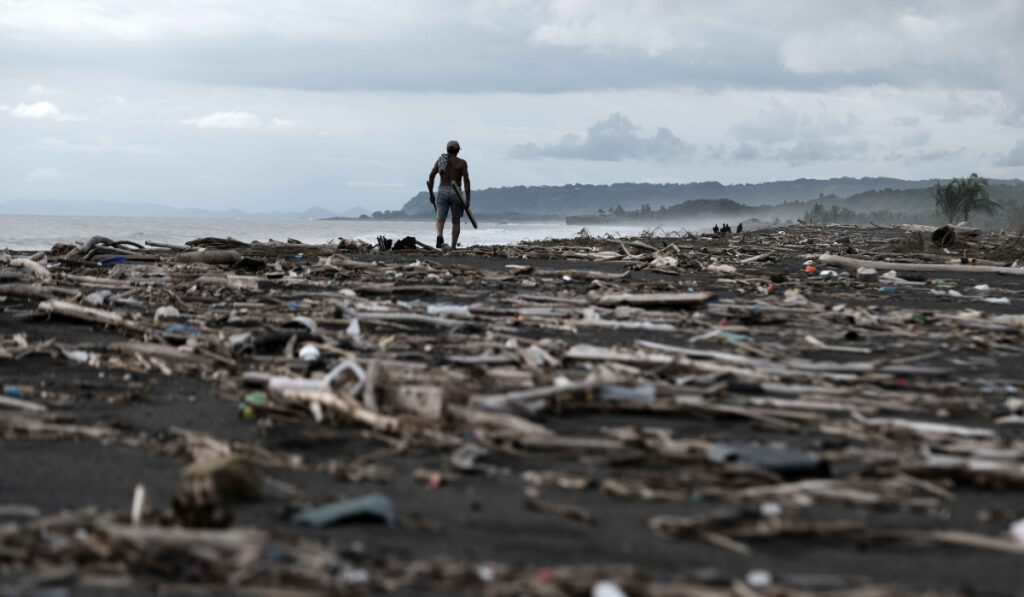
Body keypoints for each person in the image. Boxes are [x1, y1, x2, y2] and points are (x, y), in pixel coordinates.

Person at [427, 140, 471, 249]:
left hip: (442, 190)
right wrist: (467, 199)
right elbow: (466, 181)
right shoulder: (462, 163)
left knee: (440, 218)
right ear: (457, 151)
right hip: (456, 192)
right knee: (456, 220)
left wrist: (431, 193)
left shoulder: (441, 161)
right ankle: (453, 246)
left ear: (447, 150)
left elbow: (431, 175)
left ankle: (439, 235)